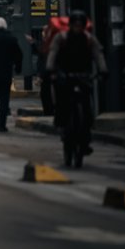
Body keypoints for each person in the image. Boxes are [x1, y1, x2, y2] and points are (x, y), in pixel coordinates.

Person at [46, 10, 108, 153]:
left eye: (80, 25)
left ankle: (86, 138)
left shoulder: (89, 39)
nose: (78, 28)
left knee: (87, 107)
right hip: (65, 74)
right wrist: (51, 69)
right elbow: (53, 53)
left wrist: (103, 69)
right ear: (71, 25)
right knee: (62, 101)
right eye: (75, 25)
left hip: (83, 75)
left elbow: (98, 54)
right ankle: (62, 125)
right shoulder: (61, 38)